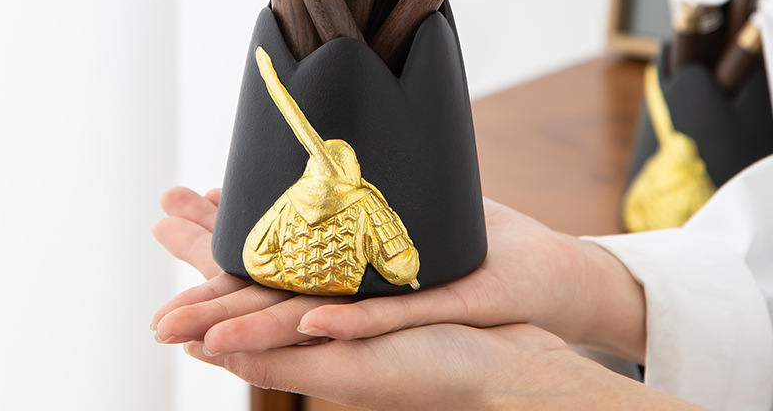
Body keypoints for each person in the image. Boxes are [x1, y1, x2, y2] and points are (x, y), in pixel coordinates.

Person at [152, 153, 773, 410]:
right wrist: (588, 282)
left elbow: (258, 249)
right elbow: (400, 263)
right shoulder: (365, 204)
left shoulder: (318, 205)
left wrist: (546, 386)